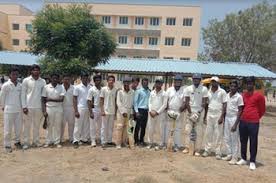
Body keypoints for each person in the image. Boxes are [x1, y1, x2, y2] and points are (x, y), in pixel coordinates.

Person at [237, 76, 265, 170]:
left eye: (251, 83)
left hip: (253, 122)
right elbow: (241, 107)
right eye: (248, 83)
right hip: (243, 121)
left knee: (253, 142)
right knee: (243, 140)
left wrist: (256, 117)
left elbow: (262, 110)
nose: (249, 85)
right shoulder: (243, 95)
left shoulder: (259, 96)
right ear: (246, 84)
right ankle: (243, 158)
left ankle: (252, 161)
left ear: (254, 84)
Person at [21, 64, 46, 149]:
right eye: (34, 70)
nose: (36, 71)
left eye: (37, 70)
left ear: (39, 71)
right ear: (31, 71)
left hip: (38, 107)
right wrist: (24, 106)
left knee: (36, 126)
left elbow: (44, 95)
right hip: (28, 107)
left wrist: (43, 108)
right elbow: (23, 94)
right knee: (27, 126)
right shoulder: (26, 80)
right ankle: (26, 143)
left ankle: (36, 141)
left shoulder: (43, 81)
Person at [183, 73, 208, 156]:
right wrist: (190, 114)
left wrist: (198, 113)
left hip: (199, 112)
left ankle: (197, 149)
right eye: (194, 79)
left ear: (200, 80)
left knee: (199, 131)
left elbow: (204, 103)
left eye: (197, 79)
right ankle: (187, 147)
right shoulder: (188, 88)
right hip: (190, 111)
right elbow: (186, 102)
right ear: (192, 79)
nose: (196, 80)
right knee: (187, 130)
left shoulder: (204, 89)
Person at [202, 76, 227, 160]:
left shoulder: (222, 92)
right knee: (208, 133)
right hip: (210, 113)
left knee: (218, 134)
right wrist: (205, 116)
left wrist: (222, 116)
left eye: (215, 81)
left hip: (218, 114)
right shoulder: (208, 92)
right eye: (212, 81)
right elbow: (206, 105)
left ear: (218, 82)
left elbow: (224, 105)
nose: (213, 83)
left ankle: (218, 152)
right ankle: (207, 150)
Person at [0, 67, 22, 153]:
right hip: (9, 110)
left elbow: (21, 97)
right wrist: (3, 106)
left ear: (18, 75)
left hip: (18, 110)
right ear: (10, 75)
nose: (15, 76)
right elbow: (2, 97)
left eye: (16, 74)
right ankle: (7, 145)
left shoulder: (20, 85)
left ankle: (17, 142)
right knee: (8, 129)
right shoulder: (6, 85)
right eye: (13, 74)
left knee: (18, 128)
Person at [222, 80, 244, 165]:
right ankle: (229, 154)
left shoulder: (239, 97)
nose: (233, 87)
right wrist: (223, 118)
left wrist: (235, 124)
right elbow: (225, 107)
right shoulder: (227, 95)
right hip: (227, 117)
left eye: (235, 86)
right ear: (229, 87)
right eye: (231, 86)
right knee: (227, 137)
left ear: (237, 87)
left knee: (234, 138)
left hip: (234, 118)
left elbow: (240, 110)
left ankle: (235, 157)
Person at [42, 73, 65, 148]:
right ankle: (48, 141)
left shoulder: (61, 87)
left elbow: (61, 99)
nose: (55, 79)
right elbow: (43, 100)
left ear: (58, 79)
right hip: (49, 108)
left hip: (59, 109)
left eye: (56, 78)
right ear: (50, 78)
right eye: (53, 78)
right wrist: (44, 111)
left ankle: (57, 142)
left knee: (58, 126)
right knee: (49, 125)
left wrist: (50, 99)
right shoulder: (46, 87)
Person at [166, 75, 186, 151]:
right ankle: (168, 144)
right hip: (170, 111)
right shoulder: (169, 90)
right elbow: (166, 101)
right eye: (176, 80)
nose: (177, 82)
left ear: (181, 82)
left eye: (179, 81)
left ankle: (177, 145)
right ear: (174, 81)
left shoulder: (184, 90)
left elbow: (185, 102)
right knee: (169, 128)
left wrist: (179, 112)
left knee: (178, 129)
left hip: (179, 112)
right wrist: (168, 111)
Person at [147, 78, 168, 150]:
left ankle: (160, 143)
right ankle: (150, 143)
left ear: (162, 84)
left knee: (160, 129)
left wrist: (157, 112)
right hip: (151, 114)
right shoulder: (152, 92)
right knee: (150, 128)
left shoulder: (164, 93)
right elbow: (149, 102)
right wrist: (150, 111)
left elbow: (164, 105)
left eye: (160, 83)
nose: (158, 84)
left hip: (160, 114)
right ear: (155, 83)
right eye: (157, 83)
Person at [73, 72, 91, 148]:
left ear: (88, 78)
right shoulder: (77, 87)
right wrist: (76, 110)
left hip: (88, 108)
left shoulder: (90, 87)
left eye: (86, 77)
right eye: (83, 77)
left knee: (87, 125)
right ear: (81, 78)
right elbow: (74, 98)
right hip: (80, 108)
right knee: (78, 125)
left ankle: (84, 139)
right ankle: (76, 140)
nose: (85, 79)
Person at [115, 76, 134, 149]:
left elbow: (132, 103)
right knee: (119, 127)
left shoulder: (132, 92)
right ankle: (118, 143)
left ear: (130, 83)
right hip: (121, 112)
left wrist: (131, 113)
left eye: (128, 82)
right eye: (125, 82)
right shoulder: (120, 91)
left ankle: (124, 142)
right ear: (123, 83)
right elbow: (118, 102)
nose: (127, 84)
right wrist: (123, 112)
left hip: (129, 111)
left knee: (128, 128)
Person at [100, 75, 117, 148]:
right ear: (107, 81)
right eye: (110, 80)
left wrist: (116, 112)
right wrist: (102, 110)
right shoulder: (103, 89)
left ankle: (109, 141)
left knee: (110, 127)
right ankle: (103, 142)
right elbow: (101, 100)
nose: (111, 81)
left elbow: (116, 101)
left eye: (112, 80)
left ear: (114, 81)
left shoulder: (115, 90)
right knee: (104, 127)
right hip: (105, 111)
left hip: (112, 111)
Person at [133, 78, 151, 146]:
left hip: (146, 111)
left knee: (143, 127)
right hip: (139, 110)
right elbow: (135, 102)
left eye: (146, 82)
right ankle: (136, 140)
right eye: (144, 82)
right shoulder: (138, 91)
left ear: (148, 83)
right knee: (138, 127)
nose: (145, 84)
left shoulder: (149, 92)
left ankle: (141, 140)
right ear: (142, 83)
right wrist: (136, 112)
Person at [87, 75, 102, 147]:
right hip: (94, 109)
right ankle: (93, 140)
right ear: (94, 81)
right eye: (96, 80)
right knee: (92, 126)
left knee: (100, 126)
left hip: (101, 109)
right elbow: (89, 101)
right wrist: (90, 112)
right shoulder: (91, 89)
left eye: (99, 80)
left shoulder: (103, 89)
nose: (98, 82)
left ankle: (99, 138)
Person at [61, 74, 75, 143]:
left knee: (71, 124)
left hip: (71, 108)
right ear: (62, 80)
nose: (66, 81)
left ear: (70, 80)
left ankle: (71, 138)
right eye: (65, 79)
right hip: (62, 108)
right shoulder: (60, 87)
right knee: (62, 124)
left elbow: (75, 99)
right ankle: (60, 138)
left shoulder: (73, 88)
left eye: (68, 79)